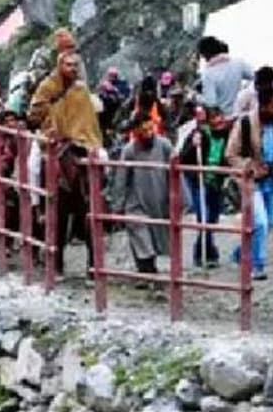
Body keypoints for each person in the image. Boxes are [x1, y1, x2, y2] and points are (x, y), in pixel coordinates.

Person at [28, 52, 103, 276]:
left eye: (75, 65)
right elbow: (34, 113)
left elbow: (89, 117)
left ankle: (105, 197)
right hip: (53, 140)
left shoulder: (81, 89)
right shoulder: (47, 86)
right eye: (68, 65)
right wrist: (51, 118)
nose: (72, 68)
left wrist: (84, 138)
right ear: (60, 65)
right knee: (34, 164)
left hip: (82, 141)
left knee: (104, 158)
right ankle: (36, 202)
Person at [228, 87, 273, 280]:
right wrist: (250, 166)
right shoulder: (244, 123)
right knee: (259, 222)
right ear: (262, 105)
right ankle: (257, 266)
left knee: (267, 223)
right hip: (251, 182)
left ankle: (240, 253)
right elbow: (231, 154)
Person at [111, 114, 174, 283]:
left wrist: (177, 199)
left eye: (150, 129)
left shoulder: (165, 146)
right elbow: (121, 179)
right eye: (143, 130)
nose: (147, 133)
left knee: (154, 237)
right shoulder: (129, 150)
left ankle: (147, 270)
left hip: (158, 198)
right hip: (136, 201)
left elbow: (174, 174)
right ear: (136, 131)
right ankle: (146, 272)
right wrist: (118, 205)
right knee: (140, 234)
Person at [178, 106, 230, 268]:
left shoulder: (228, 136)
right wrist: (194, 146)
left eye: (220, 117)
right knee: (204, 218)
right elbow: (183, 158)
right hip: (198, 181)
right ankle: (205, 253)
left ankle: (205, 249)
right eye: (214, 118)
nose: (218, 122)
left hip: (216, 182)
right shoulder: (198, 134)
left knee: (212, 218)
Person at [198, 36, 255, 117]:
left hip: (225, 120)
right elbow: (258, 77)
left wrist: (196, 98)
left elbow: (211, 103)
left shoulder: (208, 74)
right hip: (244, 115)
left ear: (205, 54)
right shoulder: (238, 63)